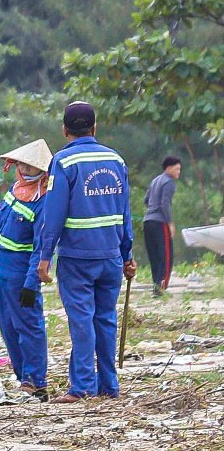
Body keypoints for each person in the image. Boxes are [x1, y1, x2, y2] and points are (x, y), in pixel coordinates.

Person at [35, 102, 135, 403]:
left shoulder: (63, 162)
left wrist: (44, 257)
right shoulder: (116, 160)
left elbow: (53, 215)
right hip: (111, 256)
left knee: (81, 320)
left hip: (77, 257)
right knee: (105, 319)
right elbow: (125, 213)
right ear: (94, 127)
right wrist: (127, 254)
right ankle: (108, 386)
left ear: (64, 130)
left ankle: (82, 387)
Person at [0, 139, 52, 398]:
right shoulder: (14, 190)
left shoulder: (43, 201)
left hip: (21, 273)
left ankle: (35, 379)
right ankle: (21, 376)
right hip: (2, 270)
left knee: (28, 325)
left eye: (31, 166)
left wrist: (31, 281)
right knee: (7, 325)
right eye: (23, 165)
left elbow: (40, 246)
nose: (26, 170)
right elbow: (3, 228)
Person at [143, 156, 182, 296]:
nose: (179, 172)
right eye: (177, 169)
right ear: (169, 168)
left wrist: (152, 210)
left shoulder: (155, 180)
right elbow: (165, 204)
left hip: (147, 221)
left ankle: (156, 286)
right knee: (165, 256)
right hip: (160, 222)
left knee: (154, 256)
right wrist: (170, 223)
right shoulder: (169, 182)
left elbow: (146, 200)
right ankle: (162, 288)